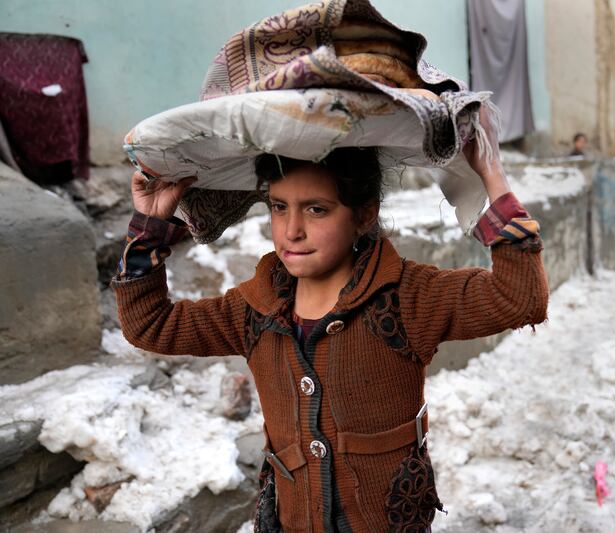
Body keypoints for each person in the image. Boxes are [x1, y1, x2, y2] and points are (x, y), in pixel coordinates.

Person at [111, 106, 549, 532]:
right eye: (279, 207)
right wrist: (148, 226)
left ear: (364, 215)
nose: (291, 230)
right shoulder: (254, 309)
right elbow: (150, 325)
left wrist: (492, 177)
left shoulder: (407, 298)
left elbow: (520, 298)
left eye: (316, 209)